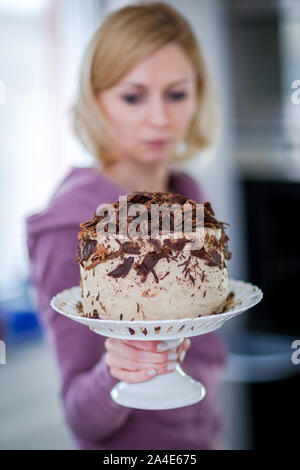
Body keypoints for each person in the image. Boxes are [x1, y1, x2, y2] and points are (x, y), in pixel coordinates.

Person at [25, 1, 228, 450]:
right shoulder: (71, 225)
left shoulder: (189, 194)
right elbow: (81, 416)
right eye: (133, 96)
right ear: (96, 101)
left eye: (176, 94)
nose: (159, 118)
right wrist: (119, 369)